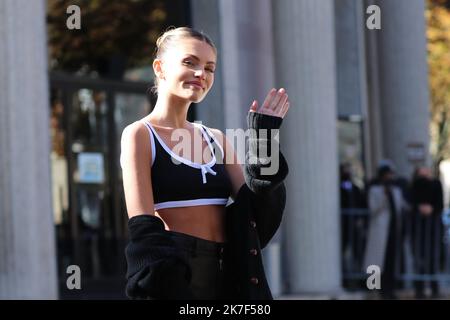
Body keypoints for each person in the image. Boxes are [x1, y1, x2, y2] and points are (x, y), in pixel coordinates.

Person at [120, 27, 290, 300]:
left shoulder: (217, 139)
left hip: (231, 275)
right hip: (176, 276)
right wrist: (171, 287)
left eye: (210, 68)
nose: (202, 74)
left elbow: (258, 211)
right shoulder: (140, 134)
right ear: (160, 67)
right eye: (190, 62)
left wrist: (264, 138)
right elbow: (143, 225)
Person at [363, 163, 407, 299]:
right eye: (388, 174)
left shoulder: (396, 191)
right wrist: (384, 197)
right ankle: (373, 290)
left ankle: (389, 290)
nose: (390, 177)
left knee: (390, 263)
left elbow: (404, 205)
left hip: (393, 232)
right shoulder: (375, 191)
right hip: (379, 232)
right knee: (375, 262)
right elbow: (373, 209)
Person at [410, 166, 444, 299]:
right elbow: (412, 201)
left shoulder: (435, 184)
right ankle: (419, 288)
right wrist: (420, 208)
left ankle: (434, 287)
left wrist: (431, 209)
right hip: (418, 229)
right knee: (419, 260)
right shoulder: (415, 185)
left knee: (432, 259)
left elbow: (439, 204)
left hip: (433, 229)